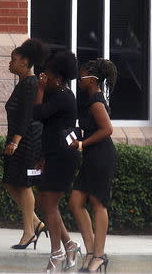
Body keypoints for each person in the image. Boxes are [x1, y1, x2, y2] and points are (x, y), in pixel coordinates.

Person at [32, 51, 81, 272]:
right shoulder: (58, 94)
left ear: (59, 78)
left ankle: (57, 253)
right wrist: (43, 157)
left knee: (50, 204)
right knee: (44, 201)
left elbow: (38, 114)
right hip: (53, 154)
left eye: (48, 75)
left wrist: (40, 89)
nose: (44, 78)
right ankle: (69, 244)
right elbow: (50, 130)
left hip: (63, 157)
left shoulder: (63, 96)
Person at [68, 58, 117, 273]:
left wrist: (82, 143)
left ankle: (99, 255)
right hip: (92, 155)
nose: (79, 80)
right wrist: (79, 136)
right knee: (76, 201)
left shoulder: (96, 101)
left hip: (101, 156)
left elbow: (107, 130)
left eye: (82, 76)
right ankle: (90, 251)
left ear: (92, 80)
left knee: (98, 203)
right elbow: (93, 127)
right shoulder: (91, 99)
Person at [3, 39, 47, 250]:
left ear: (26, 61)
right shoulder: (24, 83)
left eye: (14, 60)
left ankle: (29, 232)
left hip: (26, 141)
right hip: (19, 139)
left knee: (23, 184)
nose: (10, 63)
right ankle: (36, 223)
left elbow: (26, 116)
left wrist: (16, 142)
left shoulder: (30, 84)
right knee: (11, 182)